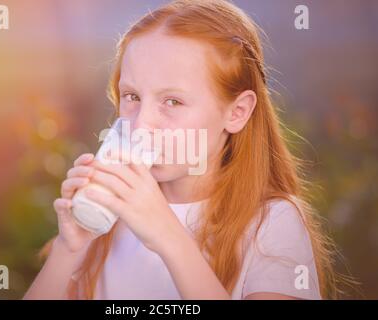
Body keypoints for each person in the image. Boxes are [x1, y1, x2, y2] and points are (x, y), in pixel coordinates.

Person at [24, 0, 337, 300]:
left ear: (237, 112)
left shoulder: (273, 223)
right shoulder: (107, 216)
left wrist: (168, 235)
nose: (142, 123)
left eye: (172, 101)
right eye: (132, 96)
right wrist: (69, 249)